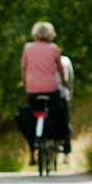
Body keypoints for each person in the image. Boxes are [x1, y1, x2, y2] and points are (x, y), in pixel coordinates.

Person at [19, 21, 71, 161]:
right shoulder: (54, 48)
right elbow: (60, 69)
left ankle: (32, 150)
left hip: (32, 90)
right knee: (60, 109)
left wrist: (25, 83)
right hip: (50, 89)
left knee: (30, 113)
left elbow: (23, 68)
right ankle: (62, 139)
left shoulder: (28, 48)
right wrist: (65, 82)